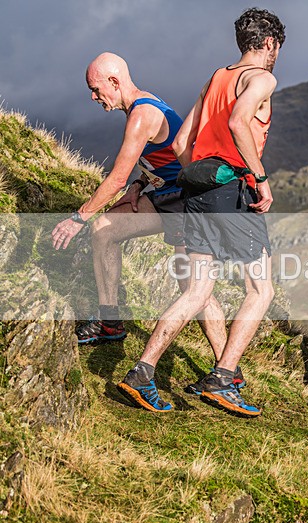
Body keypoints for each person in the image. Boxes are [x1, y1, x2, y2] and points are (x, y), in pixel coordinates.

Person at [116, 8, 285, 416]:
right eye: (277, 47)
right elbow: (240, 121)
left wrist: (204, 171)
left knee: (197, 290)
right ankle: (223, 378)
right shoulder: (261, 77)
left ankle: (141, 372)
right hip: (231, 190)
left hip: (196, 187)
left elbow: (179, 146)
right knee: (261, 290)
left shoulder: (217, 77)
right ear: (269, 44)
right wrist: (258, 179)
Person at [51, 53, 227, 356]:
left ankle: (228, 370)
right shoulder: (142, 104)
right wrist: (139, 184)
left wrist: (77, 218)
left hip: (188, 202)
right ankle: (110, 322)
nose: (94, 97)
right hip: (167, 195)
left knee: (194, 290)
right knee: (105, 229)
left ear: (115, 82)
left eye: (96, 89)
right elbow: (160, 157)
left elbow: (116, 178)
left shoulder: (141, 114)